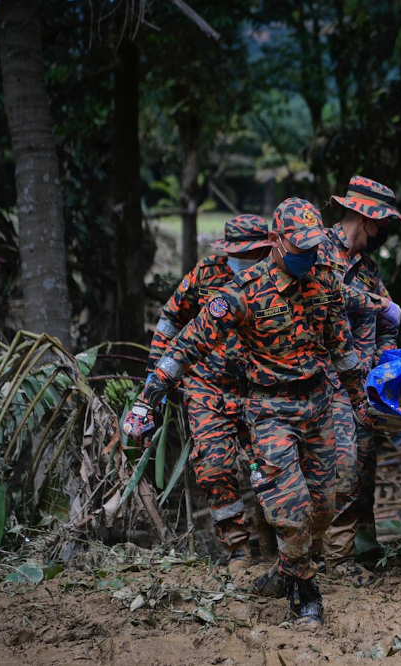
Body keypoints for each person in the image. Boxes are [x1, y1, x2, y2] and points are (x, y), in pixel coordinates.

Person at [124, 198, 372, 626]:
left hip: (317, 405)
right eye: (300, 248)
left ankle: (285, 570)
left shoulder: (325, 282)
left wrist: (361, 401)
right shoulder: (241, 292)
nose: (309, 257)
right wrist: (148, 398)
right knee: (290, 510)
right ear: (275, 242)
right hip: (270, 408)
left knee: (323, 507)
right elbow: (185, 347)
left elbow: (341, 348)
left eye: (314, 248)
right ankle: (304, 592)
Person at [145, 214, 270, 571]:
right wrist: (159, 372)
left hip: (259, 391)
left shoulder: (275, 280)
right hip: (207, 388)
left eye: (251, 253)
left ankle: (273, 545)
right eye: (237, 253)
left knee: (270, 468)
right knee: (214, 470)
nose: (242, 260)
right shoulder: (206, 273)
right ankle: (238, 551)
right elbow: (171, 318)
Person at [321, 176, 401, 587]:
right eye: (383, 222)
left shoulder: (368, 268)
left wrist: (386, 365)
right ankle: (334, 561)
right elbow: (330, 292)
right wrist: (381, 304)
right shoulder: (317, 249)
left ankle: (357, 546)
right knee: (342, 469)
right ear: (365, 217)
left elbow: (386, 321)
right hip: (324, 382)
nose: (385, 232)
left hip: (363, 386)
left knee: (363, 468)